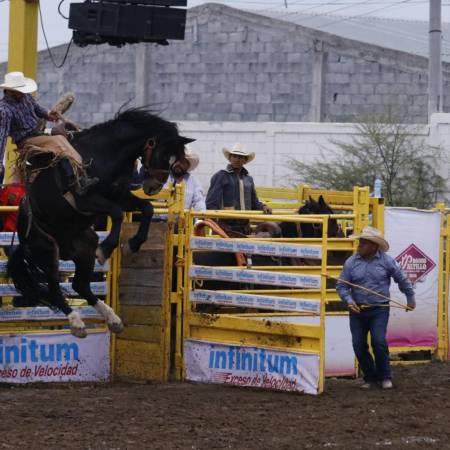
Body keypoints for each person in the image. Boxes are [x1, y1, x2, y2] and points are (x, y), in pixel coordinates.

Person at [336, 226, 416, 390]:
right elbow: (341, 286)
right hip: (357, 309)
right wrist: (349, 301)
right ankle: (370, 377)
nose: (359, 245)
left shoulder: (387, 261)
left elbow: (402, 279)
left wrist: (410, 298)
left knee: (378, 341)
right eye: (360, 241)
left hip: (379, 308)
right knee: (358, 344)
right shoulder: (351, 262)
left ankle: (385, 376)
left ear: (373, 246)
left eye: (363, 242)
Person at [0, 71, 98, 195]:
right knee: (58, 141)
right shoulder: (4, 110)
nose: (22, 93)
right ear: (10, 91)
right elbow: (1, 137)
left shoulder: (26, 97)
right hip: (25, 141)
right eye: (19, 90)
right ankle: (79, 176)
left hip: (39, 134)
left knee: (67, 136)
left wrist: (49, 114)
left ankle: (77, 171)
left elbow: (39, 110)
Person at [205, 143, 271, 235]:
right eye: (234, 156)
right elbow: (211, 203)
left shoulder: (248, 179)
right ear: (230, 158)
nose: (237, 159)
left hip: (244, 227)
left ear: (245, 160)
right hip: (225, 226)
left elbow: (254, 202)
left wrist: (263, 206)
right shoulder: (221, 176)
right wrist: (215, 224)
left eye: (240, 157)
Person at [164, 147, 206, 211]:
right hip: (157, 219)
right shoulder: (161, 176)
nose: (179, 163)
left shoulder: (193, 182)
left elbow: (199, 201)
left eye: (183, 162)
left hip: (183, 220)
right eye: (177, 160)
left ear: (188, 166)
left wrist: (201, 218)